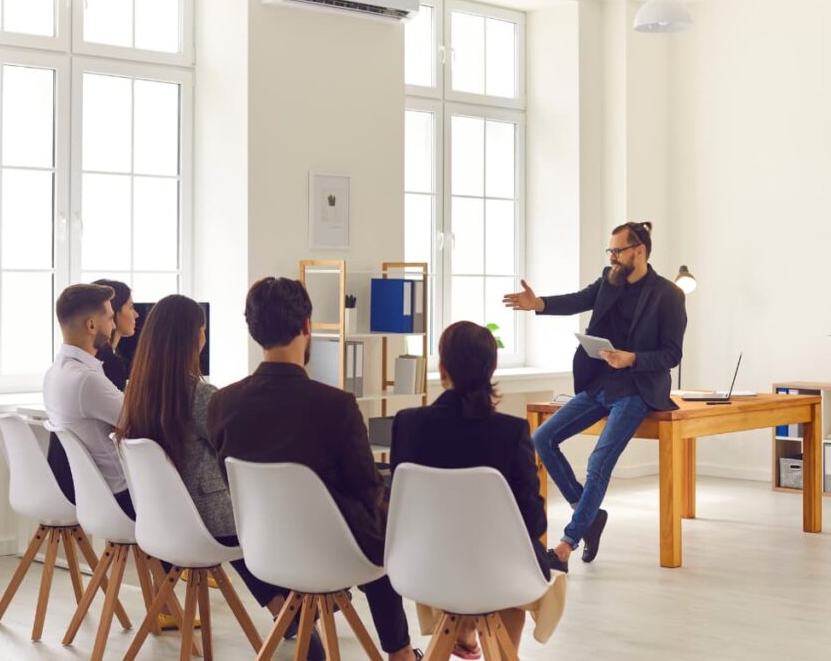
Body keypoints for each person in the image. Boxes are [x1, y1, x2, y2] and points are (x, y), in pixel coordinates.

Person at [209, 277, 421, 661]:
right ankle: (402, 652)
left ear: (253, 329)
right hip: (336, 553)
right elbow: (365, 489)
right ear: (306, 326)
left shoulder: (222, 404)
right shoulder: (335, 404)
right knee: (386, 515)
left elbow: (234, 485)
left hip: (266, 550)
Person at [113, 295, 325, 656]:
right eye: (202, 331)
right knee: (275, 518)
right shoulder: (199, 395)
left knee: (250, 526)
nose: (204, 337)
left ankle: (291, 614)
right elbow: (240, 451)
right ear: (193, 338)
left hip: (163, 525)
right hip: (208, 523)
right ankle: (301, 614)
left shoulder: (137, 393)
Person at [503, 221, 687, 569]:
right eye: (611, 251)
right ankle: (589, 517)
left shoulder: (668, 294)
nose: (613, 257)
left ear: (640, 251)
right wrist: (538, 304)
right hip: (597, 384)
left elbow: (672, 354)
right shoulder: (609, 279)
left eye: (618, 251)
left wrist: (632, 358)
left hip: (636, 390)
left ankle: (565, 545)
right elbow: (577, 300)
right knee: (542, 438)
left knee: (597, 462)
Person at [391, 321, 565, 657]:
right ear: (493, 368)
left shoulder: (408, 424)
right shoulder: (511, 432)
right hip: (497, 575)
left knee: (486, 560)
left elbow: (398, 507)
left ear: (442, 368)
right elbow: (534, 523)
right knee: (516, 558)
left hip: (425, 569)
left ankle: (466, 630)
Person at [43, 283, 132, 518]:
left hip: (94, 495)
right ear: (91, 325)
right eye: (110, 318)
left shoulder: (55, 373)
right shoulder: (86, 380)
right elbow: (139, 419)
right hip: (121, 498)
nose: (113, 325)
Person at [91, 278, 138, 392]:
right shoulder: (110, 364)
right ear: (112, 310)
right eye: (131, 307)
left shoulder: (105, 356)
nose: (136, 315)